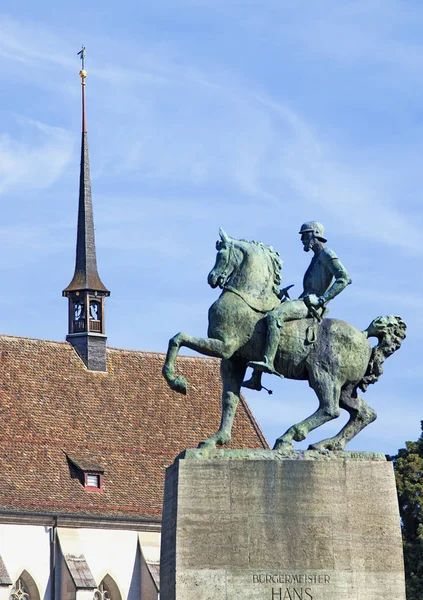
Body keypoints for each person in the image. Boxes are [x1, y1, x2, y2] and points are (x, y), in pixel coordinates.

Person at [246, 221, 351, 384]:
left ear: (315, 234)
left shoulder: (327, 254)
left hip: (311, 305)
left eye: (305, 235)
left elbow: (344, 278)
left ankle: (268, 362)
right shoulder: (317, 256)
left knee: (274, 317)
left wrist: (321, 300)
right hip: (304, 299)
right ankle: (255, 379)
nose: (302, 239)